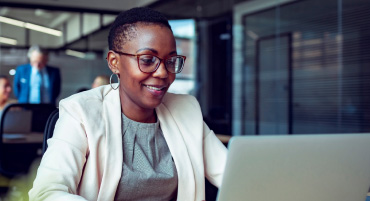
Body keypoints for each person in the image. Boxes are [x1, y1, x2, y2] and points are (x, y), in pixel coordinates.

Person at [29, 7, 227, 201]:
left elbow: (231, 174)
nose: (163, 73)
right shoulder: (81, 112)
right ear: (114, 62)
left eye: (171, 61)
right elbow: (47, 193)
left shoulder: (186, 109)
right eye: (148, 59)